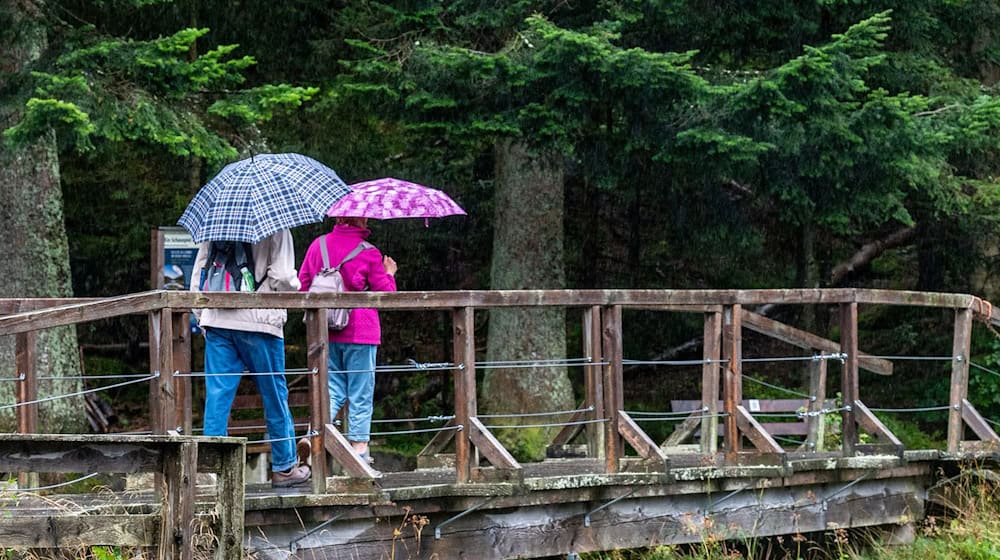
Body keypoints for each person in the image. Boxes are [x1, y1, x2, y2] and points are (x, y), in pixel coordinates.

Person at [190, 229, 311, 488]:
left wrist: (203, 316)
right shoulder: (277, 226)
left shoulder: (217, 224)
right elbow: (282, 278)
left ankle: (211, 472)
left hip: (218, 318)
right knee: (274, 394)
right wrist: (297, 286)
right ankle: (284, 467)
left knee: (218, 396)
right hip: (259, 321)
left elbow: (199, 273)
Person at [298, 217, 397, 467]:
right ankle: (359, 449)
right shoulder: (369, 252)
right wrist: (389, 273)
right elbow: (385, 293)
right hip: (361, 330)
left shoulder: (317, 245)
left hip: (324, 330)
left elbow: (303, 286)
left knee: (331, 388)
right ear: (360, 218)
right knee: (360, 390)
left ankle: (312, 437)